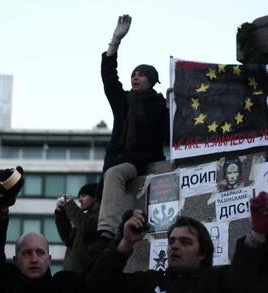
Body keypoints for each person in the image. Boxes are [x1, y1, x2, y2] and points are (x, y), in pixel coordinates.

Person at [90, 14, 169, 252]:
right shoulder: (123, 101)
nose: (136, 76)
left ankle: (105, 233)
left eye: (142, 74)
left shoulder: (160, 105)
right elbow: (108, 77)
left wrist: (172, 106)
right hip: (118, 159)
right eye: (134, 73)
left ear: (152, 81)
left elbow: (168, 135)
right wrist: (115, 40)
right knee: (108, 180)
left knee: (113, 175)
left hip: (141, 162)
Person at [86, 191, 268, 293]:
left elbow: (244, 282)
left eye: (185, 242)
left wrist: (257, 234)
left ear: (202, 253)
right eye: (171, 240)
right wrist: (125, 243)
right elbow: (97, 286)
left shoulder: (217, 281)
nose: (174, 246)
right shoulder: (148, 282)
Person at [0, 202, 85, 292]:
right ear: (16, 260)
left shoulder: (68, 286)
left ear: (49, 260)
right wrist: (1, 211)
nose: (34, 259)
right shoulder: (2, 287)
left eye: (40, 252)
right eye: (27, 253)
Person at [54, 183, 100, 275]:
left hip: (86, 276)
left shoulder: (99, 215)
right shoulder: (85, 217)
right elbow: (68, 239)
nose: (79, 200)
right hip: (74, 274)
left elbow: (87, 226)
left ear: (95, 197)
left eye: (83, 196)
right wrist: (61, 213)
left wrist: (70, 203)